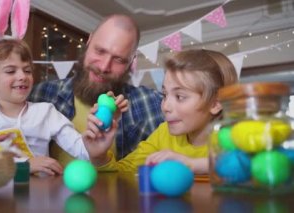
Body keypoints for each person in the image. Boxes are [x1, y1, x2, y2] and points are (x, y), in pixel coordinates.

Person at [0, 38, 127, 176]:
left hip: (41, 198)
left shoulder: (45, 112)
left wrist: (99, 133)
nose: (22, 76)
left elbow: (81, 149)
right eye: (11, 71)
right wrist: (23, 166)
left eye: (27, 70)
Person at [28, 14, 164, 164]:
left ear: (131, 61)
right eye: (100, 51)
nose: (104, 66)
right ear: (89, 40)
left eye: (118, 59)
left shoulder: (153, 104)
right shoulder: (40, 95)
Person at [83, 49, 238, 174]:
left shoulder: (235, 134)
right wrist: (99, 157)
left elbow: (252, 166)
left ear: (215, 103)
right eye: (165, 95)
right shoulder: (163, 133)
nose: (165, 106)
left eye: (180, 96)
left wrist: (192, 164)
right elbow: (123, 174)